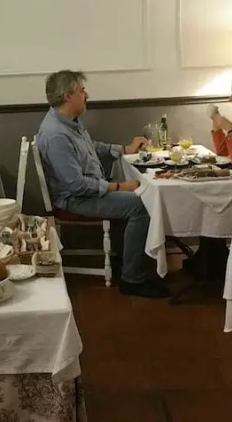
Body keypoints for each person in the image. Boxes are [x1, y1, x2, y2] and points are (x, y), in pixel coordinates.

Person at [35, 70, 168, 298]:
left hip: (88, 191)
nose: (87, 95)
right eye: (82, 91)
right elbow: (76, 185)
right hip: (76, 200)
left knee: (139, 197)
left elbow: (92, 147)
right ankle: (132, 279)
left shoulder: (69, 122)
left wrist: (124, 149)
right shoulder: (56, 135)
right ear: (68, 96)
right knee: (141, 206)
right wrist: (119, 187)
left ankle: (122, 260)